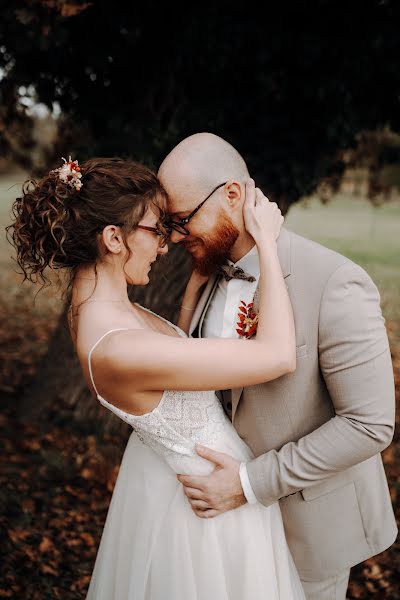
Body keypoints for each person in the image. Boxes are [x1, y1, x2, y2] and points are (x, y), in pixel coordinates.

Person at [7, 156, 306, 599]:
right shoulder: (116, 346)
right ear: (112, 238)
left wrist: (192, 289)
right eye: (155, 231)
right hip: (207, 513)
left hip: (206, 488)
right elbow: (279, 356)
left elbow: (174, 358)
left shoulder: (101, 305)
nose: (165, 246)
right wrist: (266, 241)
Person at [158, 132, 398, 600]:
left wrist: (248, 484)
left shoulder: (335, 281)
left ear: (232, 194)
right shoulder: (210, 271)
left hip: (306, 531)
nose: (175, 236)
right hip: (224, 529)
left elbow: (370, 425)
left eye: (183, 219)